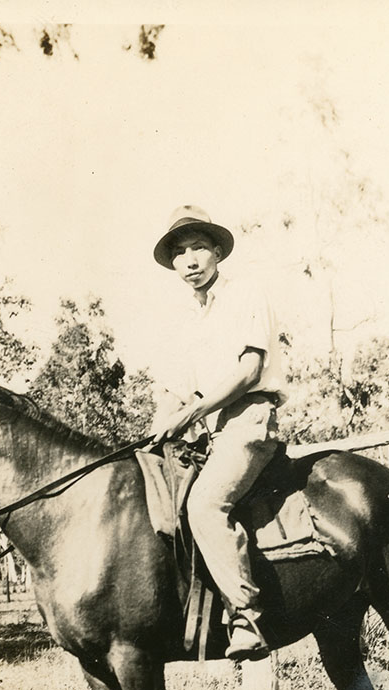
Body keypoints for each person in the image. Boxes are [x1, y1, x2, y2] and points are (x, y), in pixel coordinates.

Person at [151, 205, 287, 660]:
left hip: (249, 422)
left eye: (198, 248)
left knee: (206, 504)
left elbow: (249, 372)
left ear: (216, 252)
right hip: (209, 432)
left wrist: (191, 414)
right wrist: (155, 431)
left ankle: (247, 617)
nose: (189, 261)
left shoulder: (247, 293)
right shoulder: (187, 322)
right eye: (179, 253)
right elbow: (172, 389)